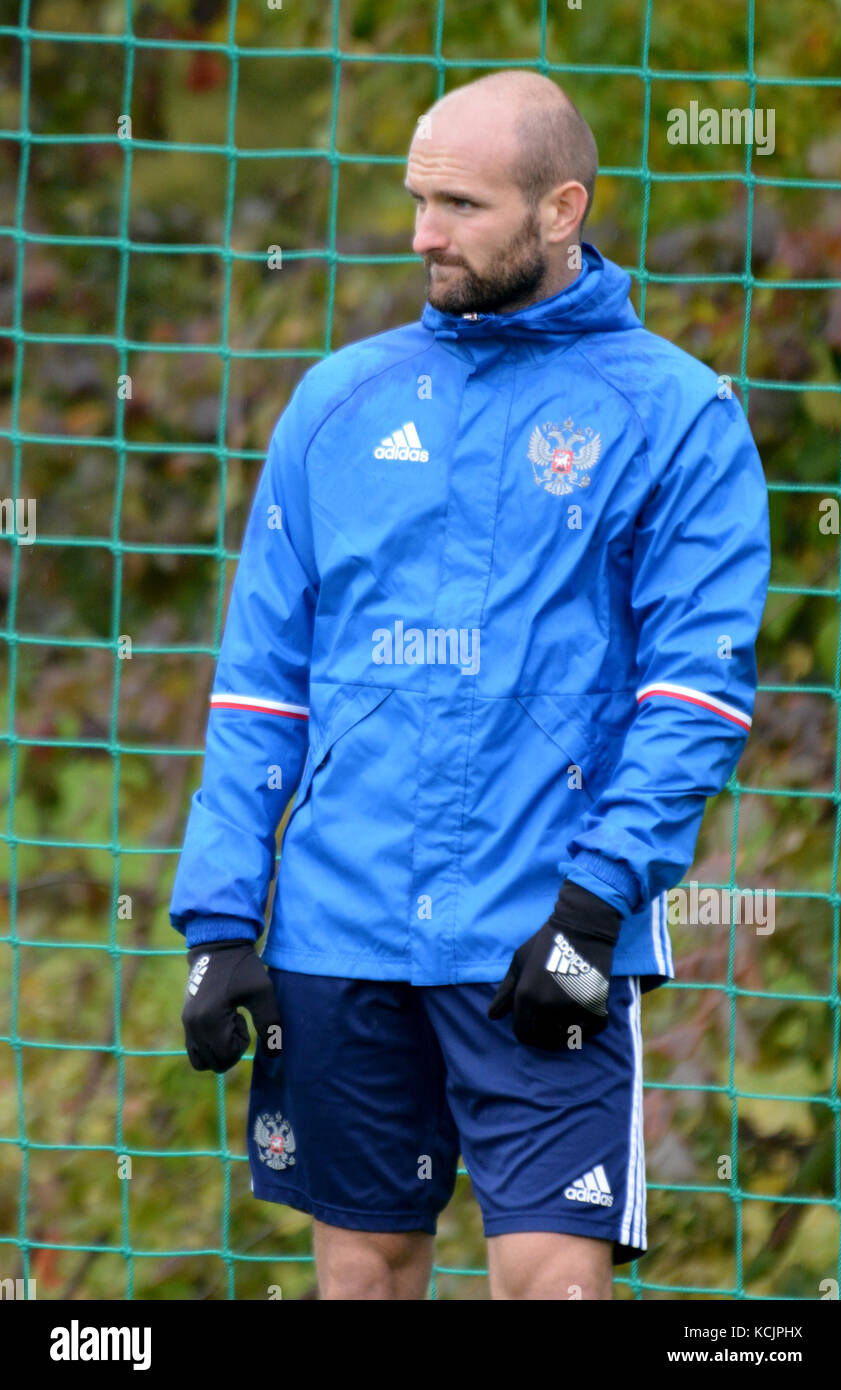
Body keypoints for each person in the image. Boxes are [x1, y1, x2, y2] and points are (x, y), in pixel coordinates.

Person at [169, 69, 771, 1300]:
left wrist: (596, 907)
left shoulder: (676, 413)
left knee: (552, 1283)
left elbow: (696, 693)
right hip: (341, 934)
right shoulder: (337, 402)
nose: (423, 235)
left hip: (539, 930)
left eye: (460, 205)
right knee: (365, 1276)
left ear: (563, 209)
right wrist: (223, 916)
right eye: (415, 199)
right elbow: (260, 689)